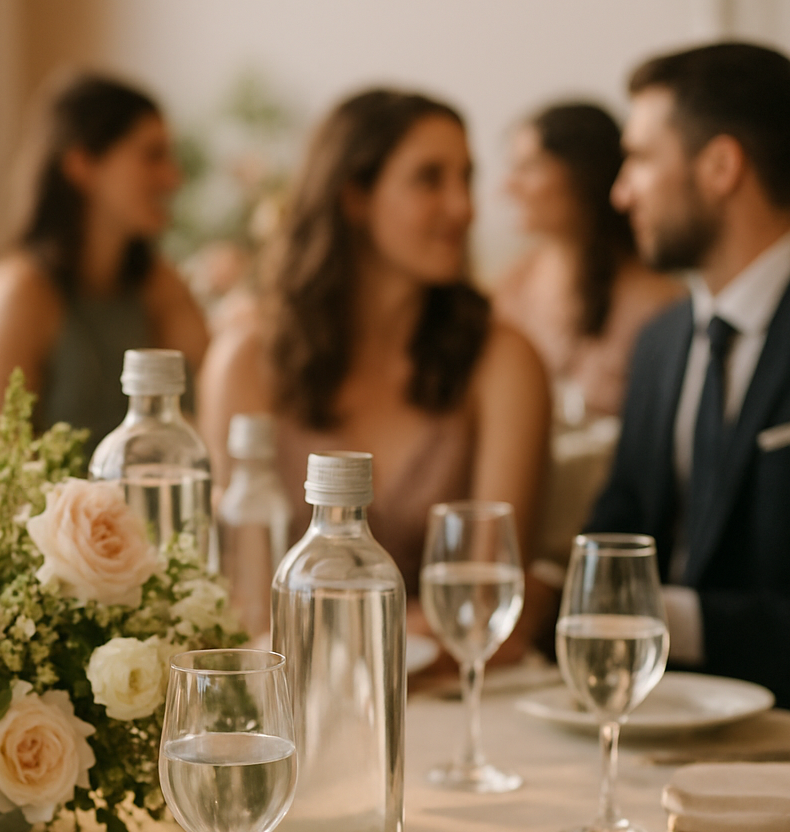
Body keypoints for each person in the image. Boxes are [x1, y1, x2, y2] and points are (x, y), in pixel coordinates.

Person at [199, 88, 550, 652]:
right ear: (355, 196)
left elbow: (491, 605)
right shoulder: (245, 362)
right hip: (285, 700)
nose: (463, 207)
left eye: (466, 178)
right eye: (429, 179)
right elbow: (231, 596)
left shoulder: (504, 362)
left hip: (453, 696)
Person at [588, 42, 790, 694]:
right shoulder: (662, 341)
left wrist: (650, 616)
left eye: (641, 158)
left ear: (721, 166)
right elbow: (618, 522)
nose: (621, 193)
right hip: (654, 715)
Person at [0, 72, 208, 459]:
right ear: (82, 163)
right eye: (152, 156)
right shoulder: (15, 295)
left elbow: (210, 412)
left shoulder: (158, 283)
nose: (173, 177)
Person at [496, 102, 683, 421]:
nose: (508, 186)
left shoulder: (660, 306)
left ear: (584, 174)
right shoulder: (511, 287)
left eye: (530, 167)